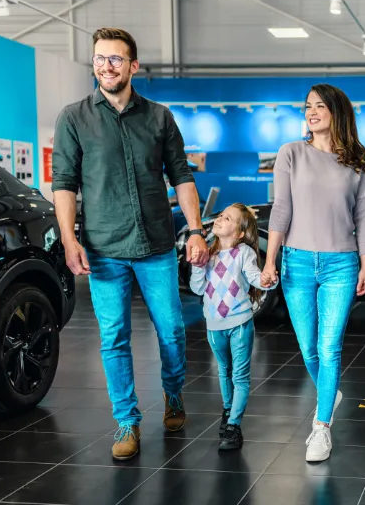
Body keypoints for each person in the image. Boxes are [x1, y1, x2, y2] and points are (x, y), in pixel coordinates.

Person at [51, 27, 209, 461]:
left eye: (116, 59)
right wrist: (69, 238)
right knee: (114, 337)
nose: (106, 66)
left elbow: (181, 176)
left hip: (156, 244)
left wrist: (195, 230)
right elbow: (63, 183)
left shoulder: (160, 117)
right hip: (103, 248)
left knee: (174, 332)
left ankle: (173, 394)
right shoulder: (74, 117)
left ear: (133, 65)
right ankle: (127, 420)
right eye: (100, 59)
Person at [261, 84, 365, 462]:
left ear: (337, 112)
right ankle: (330, 389)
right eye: (307, 106)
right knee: (308, 347)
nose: (311, 112)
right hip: (296, 262)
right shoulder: (291, 153)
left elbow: (363, 217)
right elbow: (281, 209)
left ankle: (321, 428)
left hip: (341, 265)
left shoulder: (356, 161)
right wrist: (269, 260)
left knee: (329, 348)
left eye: (320, 106)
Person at [189, 203, 277, 451]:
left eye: (227, 219)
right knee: (223, 371)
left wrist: (267, 280)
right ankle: (228, 411)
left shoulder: (243, 253)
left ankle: (234, 425)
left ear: (239, 233)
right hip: (214, 325)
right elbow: (197, 288)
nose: (219, 219)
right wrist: (197, 267)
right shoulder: (208, 254)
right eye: (220, 216)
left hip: (240, 323)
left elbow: (254, 277)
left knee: (240, 375)